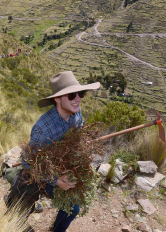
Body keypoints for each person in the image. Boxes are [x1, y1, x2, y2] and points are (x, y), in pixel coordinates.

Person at [6, 71, 100, 232]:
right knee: (17, 214)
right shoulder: (43, 129)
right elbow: (29, 162)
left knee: (73, 208)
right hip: (39, 172)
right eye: (71, 95)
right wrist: (56, 181)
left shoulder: (76, 113)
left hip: (61, 167)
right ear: (57, 99)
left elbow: (76, 140)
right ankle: (12, 202)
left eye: (80, 93)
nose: (78, 99)